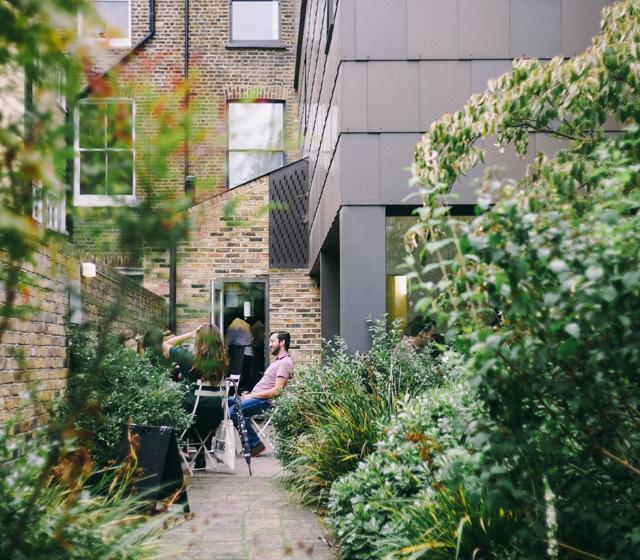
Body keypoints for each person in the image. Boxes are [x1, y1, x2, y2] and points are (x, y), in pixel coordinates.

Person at [162, 324, 229, 469]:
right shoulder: (222, 362)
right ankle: (200, 457)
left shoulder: (187, 357)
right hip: (215, 417)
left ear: (199, 339)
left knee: (171, 413)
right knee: (200, 408)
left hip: (191, 416)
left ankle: (171, 459)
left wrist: (189, 334)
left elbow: (164, 344)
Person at [229, 331, 293, 457]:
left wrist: (252, 396)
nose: (269, 345)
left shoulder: (285, 362)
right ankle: (220, 446)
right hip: (257, 397)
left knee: (234, 411)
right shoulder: (276, 362)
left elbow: (277, 390)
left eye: (272, 341)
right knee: (222, 402)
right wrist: (250, 393)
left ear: (282, 342)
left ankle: (254, 444)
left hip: (265, 401)